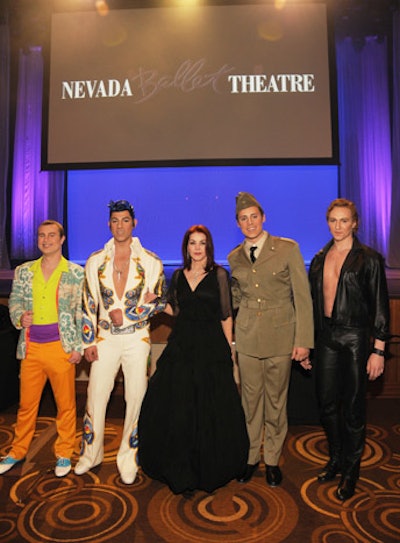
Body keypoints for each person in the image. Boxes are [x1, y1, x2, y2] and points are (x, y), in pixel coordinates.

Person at [138, 225, 249, 495]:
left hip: (211, 347)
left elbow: (225, 314)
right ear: (186, 247)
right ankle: (181, 466)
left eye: (201, 243)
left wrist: (229, 347)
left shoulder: (220, 275)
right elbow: (175, 309)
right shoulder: (177, 275)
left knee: (210, 408)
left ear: (208, 247)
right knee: (180, 407)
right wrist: (156, 301)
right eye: (192, 243)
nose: (197, 248)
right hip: (182, 346)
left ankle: (209, 467)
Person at [74, 199, 166, 485]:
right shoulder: (95, 261)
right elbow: (88, 303)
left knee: (135, 398)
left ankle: (129, 458)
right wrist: (87, 342)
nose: (120, 225)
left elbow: (159, 302)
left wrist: (124, 315)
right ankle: (91, 454)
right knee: (95, 396)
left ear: (134, 223)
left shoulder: (151, 261)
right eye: (115, 221)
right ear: (109, 224)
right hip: (103, 339)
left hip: (137, 338)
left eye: (125, 220)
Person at [228, 192, 314, 487]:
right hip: (249, 338)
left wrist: (302, 341)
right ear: (237, 223)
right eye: (243, 218)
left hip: (281, 335)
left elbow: (303, 299)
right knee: (249, 401)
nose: (249, 222)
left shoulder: (287, 249)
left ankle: (273, 459)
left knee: (276, 401)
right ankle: (251, 457)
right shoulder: (233, 257)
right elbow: (235, 298)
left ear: (263, 218)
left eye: (254, 216)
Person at [309, 198, 390, 501]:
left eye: (344, 220)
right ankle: (337, 458)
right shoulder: (319, 258)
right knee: (327, 404)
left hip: (356, 337)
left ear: (354, 223)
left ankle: (351, 472)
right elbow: (312, 304)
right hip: (326, 336)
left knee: (354, 408)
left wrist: (379, 350)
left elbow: (381, 306)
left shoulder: (369, 258)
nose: (338, 226)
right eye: (333, 220)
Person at [0, 220, 84, 478]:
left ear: (62, 239)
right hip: (32, 349)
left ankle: (64, 453)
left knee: (66, 405)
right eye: (41, 236)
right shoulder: (24, 271)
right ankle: (17, 449)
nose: (45, 240)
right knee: (26, 406)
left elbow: (81, 312)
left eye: (51, 235)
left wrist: (79, 346)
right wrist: (18, 317)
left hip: (61, 348)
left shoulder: (75, 273)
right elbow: (14, 302)